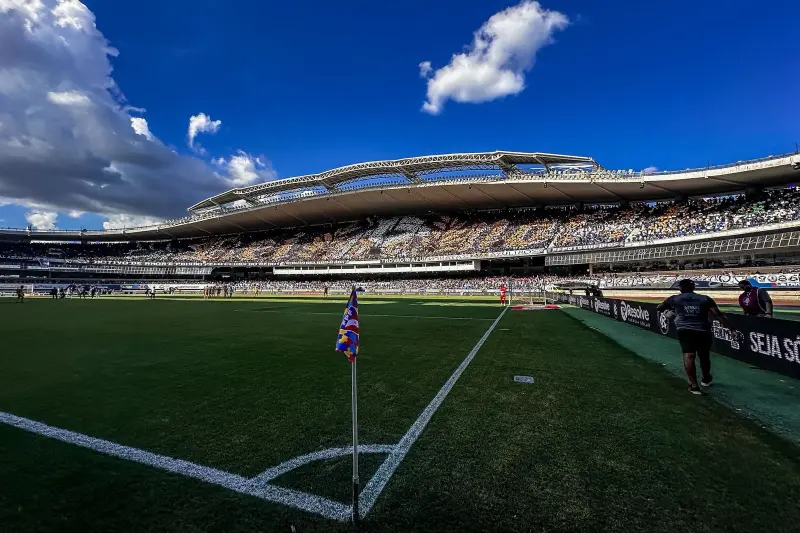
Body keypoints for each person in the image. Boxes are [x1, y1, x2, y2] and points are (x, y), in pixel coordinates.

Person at [657, 279, 737, 395]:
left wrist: (669, 312)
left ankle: (694, 386)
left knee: (689, 356)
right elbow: (718, 315)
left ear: (680, 288)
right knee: (704, 356)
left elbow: (659, 307)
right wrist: (732, 330)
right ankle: (705, 378)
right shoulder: (705, 299)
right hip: (703, 330)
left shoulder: (674, 298)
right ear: (693, 287)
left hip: (684, 330)